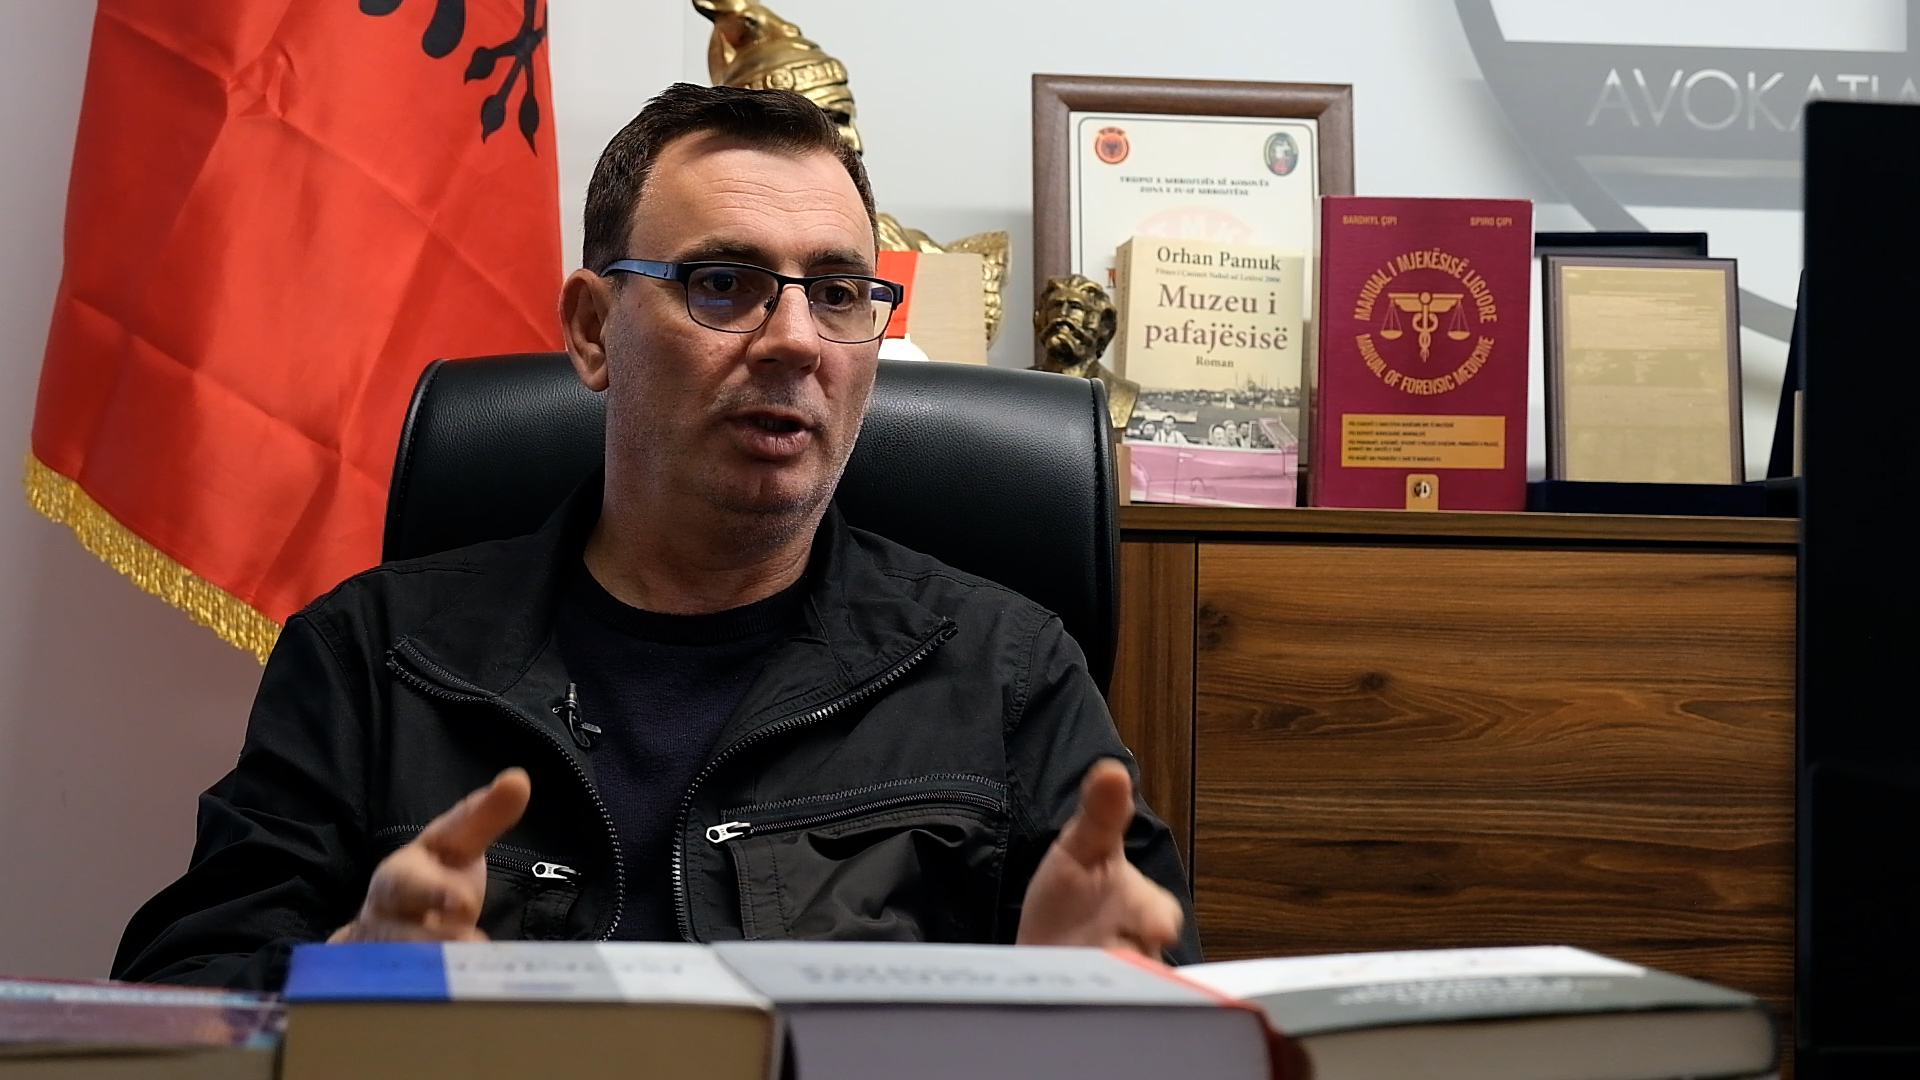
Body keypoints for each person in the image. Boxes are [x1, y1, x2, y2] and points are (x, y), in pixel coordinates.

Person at [111, 83, 1196, 990]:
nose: (795, 341)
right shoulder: (371, 658)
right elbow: (175, 998)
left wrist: (1090, 1009)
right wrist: (349, 977)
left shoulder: (1009, 673)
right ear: (593, 331)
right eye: (722, 285)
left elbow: (1174, 1005)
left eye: (836, 292)